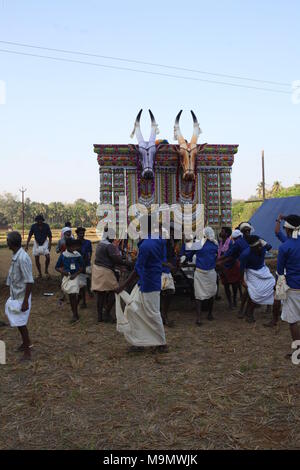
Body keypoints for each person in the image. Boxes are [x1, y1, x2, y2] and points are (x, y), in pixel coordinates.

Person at [115, 215, 168, 353]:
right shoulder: (159, 240)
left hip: (147, 283)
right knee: (135, 310)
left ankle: (161, 343)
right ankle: (140, 341)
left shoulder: (146, 245)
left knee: (151, 313)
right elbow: (161, 260)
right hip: (151, 280)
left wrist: (123, 285)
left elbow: (138, 269)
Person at [5, 231, 34, 361]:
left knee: (21, 323)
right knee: (18, 322)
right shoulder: (16, 255)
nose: (6, 243)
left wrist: (25, 302)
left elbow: (29, 280)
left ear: (11, 243)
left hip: (22, 296)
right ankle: (25, 344)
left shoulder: (22, 258)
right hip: (16, 294)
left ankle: (27, 352)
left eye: (7, 241)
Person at [92, 229, 130, 323]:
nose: (114, 238)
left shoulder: (100, 244)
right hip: (106, 270)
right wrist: (128, 263)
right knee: (114, 291)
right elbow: (116, 260)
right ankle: (107, 313)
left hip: (97, 270)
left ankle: (100, 316)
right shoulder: (109, 246)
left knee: (100, 294)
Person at [277, 214, 300, 357]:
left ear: (288, 230)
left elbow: (280, 270)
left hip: (293, 288)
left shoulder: (285, 247)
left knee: (293, 321)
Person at [239, 235, 274, 323]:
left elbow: (270, 248)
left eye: (260, 245)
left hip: (263, 270)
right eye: (257, 247)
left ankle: (270, 305)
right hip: (251, 272)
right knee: (255, 292)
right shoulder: (245, 254)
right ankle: (249, 313)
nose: (259, 248)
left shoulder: (261, 246)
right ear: (252, 247)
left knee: (273, 284)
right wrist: (242, 280)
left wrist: (263, 242)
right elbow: (242, 269)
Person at [55, 238, 84, 323]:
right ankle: (75, 312)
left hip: (76, 276)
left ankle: (75, 315)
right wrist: (63, 272)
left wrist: (76, 274)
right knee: (72, 295)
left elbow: (82, 267)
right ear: (67, 246)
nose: (74, 248)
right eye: (72, 247)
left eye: (74, 247)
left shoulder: (77, 255)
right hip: (68, 277)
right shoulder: (63, 255)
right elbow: (57, 267)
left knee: (72, 295)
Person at [193, 227, 218, 325]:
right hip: (211, 272)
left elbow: (189, 254)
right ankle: (210, 314)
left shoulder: (198, 244)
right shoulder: (215, 245)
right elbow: (217, 256)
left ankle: (199, 318)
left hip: (199, 272)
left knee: (198, 295)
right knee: (211, 293)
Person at [217, 227, 241, 309]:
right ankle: (230, 302)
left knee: (234, 285)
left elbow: (232, 256)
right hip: (223, 267)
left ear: (227, 234)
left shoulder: (230, 243)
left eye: (222, 231)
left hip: (231, 266)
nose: (221, 232)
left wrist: (221, 261)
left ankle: (234, 300)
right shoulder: (220, 243)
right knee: (226, 286)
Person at [160, 225, 177, 327]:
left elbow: (170, 256)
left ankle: (164, 315)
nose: (170, 234)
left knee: (169, 291)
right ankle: (162, 316)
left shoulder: (169, 243)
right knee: (165, 292)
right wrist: (166, 264)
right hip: (159, 270)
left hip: (166, 271)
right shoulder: (159, 243)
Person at [76, 227, 93, 308]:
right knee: (81, 283)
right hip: (78, 265)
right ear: (77, 234)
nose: (82, 235)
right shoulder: (75, 243)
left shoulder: (88, 242)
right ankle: (83, 301)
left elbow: (90, 252)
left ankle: (89, 291)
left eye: (83, 233)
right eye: (80, 233)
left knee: (88, 279)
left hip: (86, 263)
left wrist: (88, 258)